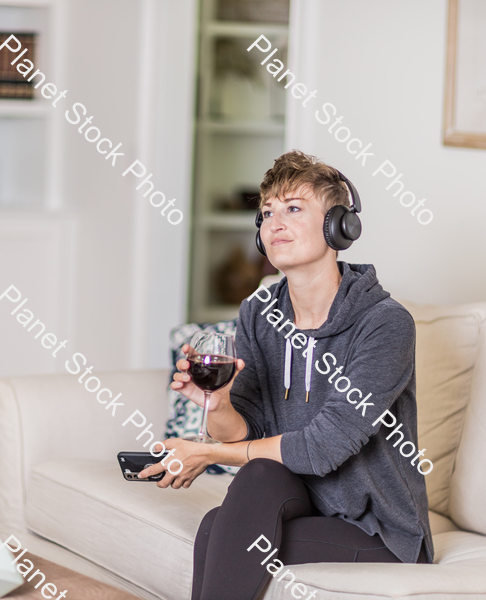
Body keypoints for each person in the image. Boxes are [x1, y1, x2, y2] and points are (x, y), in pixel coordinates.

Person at [139, 150, 433, 600]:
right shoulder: (258, 313)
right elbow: (247, 432)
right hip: (302, 502)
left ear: (340, 226)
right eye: (267, 213)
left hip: (380, 532)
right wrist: (217, 406)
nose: (274, 223)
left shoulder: (385, 324)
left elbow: (323, 448)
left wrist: (208, 452)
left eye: (293, 209)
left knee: (218, 529)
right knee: (250, 486)